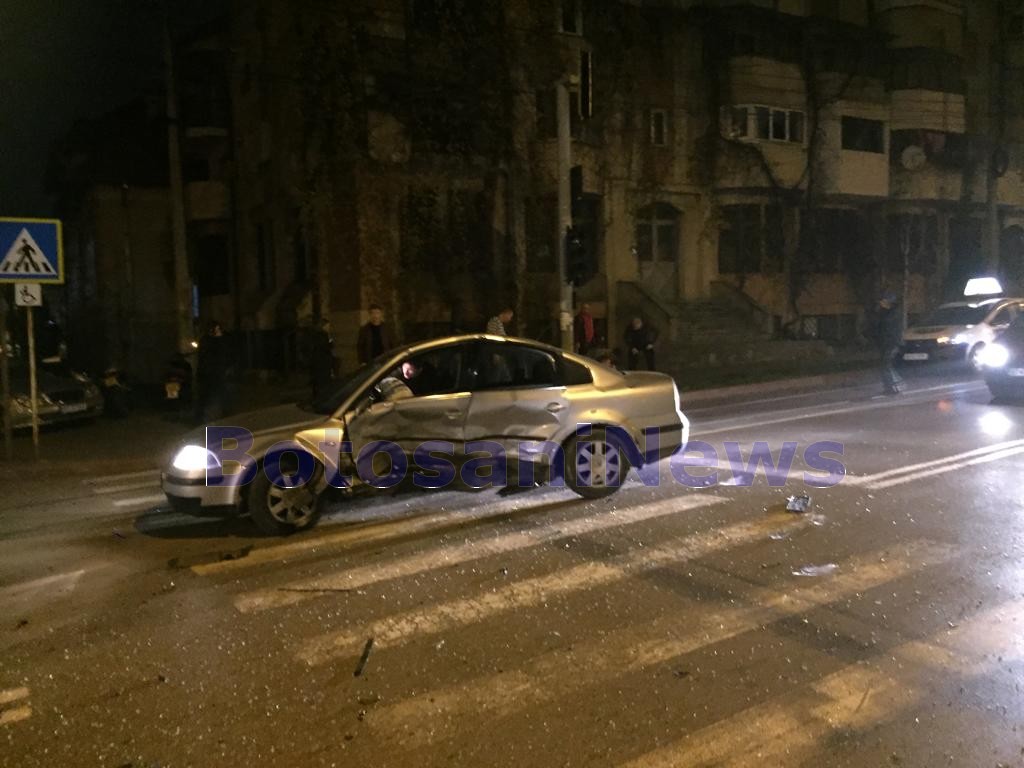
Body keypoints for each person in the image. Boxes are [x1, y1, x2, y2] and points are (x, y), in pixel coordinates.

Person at [195, 321, 233, 422]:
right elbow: (205, 357)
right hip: (209, 373)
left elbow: (226, 355)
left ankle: (225, 414)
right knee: (206, 396)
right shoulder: (208, 341)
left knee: (221, 394)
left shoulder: (219, 340)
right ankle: (200, 416)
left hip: (216, 372)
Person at [873, 292, 905, 395]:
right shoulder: (883, 312)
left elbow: (889, 328)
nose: (881, 303)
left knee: (886, 365)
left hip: (891, 343)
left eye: (883, 301)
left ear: (888, 302)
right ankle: (890, 387)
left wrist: (893, 342)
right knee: (885, 365)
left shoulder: (892, 313)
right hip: (885, 343)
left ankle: (893, 387)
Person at [309, 318, 336, 400]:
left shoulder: (314, 335)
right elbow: (328, 346)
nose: (329, 328)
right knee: (323, 380)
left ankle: (317, 396)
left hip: (317, 361)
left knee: (318, 380)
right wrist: (330, 340)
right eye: (327, 326)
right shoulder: (324, 335)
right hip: (323, 361)